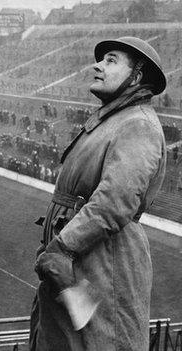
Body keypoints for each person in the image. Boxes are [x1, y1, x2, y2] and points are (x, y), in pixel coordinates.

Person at [30, 37, 167, 351]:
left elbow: (115, 200)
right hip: (77, 261)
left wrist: (62, 247)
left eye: (111, 60)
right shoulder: (113, 120)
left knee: (106, 341)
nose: (98, 65)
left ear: (138, 74)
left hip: (104, 262)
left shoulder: (137, 124)